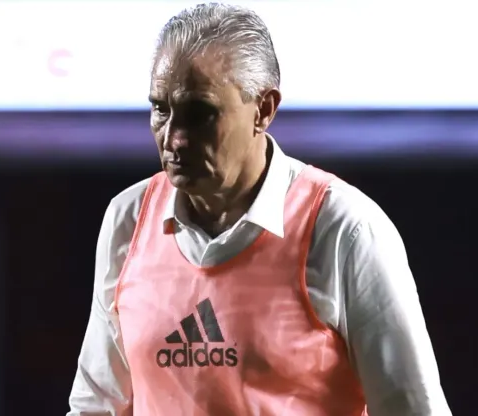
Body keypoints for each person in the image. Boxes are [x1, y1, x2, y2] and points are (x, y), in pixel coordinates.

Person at [67, 3, 451, 415]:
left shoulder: (344, 229)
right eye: (161, 108)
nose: (173, 137)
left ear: (264, 110)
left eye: (200, 113)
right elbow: (97, 406)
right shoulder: (128, 220)